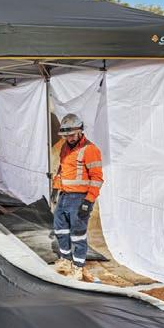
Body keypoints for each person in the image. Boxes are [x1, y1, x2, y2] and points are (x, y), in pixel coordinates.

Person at [52, 113, 103, 282]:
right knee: (60, 229)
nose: (69, 138)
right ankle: (65, 261)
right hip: (64, 195)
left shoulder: (90, 150)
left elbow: (97, 178)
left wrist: (88, 201)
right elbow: (62, 169)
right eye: (66, 136)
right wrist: (56, 188)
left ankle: (78, 267)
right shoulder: (65, 147)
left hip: (80, 198)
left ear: (81, 131)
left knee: (78, 234)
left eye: (72, 135)